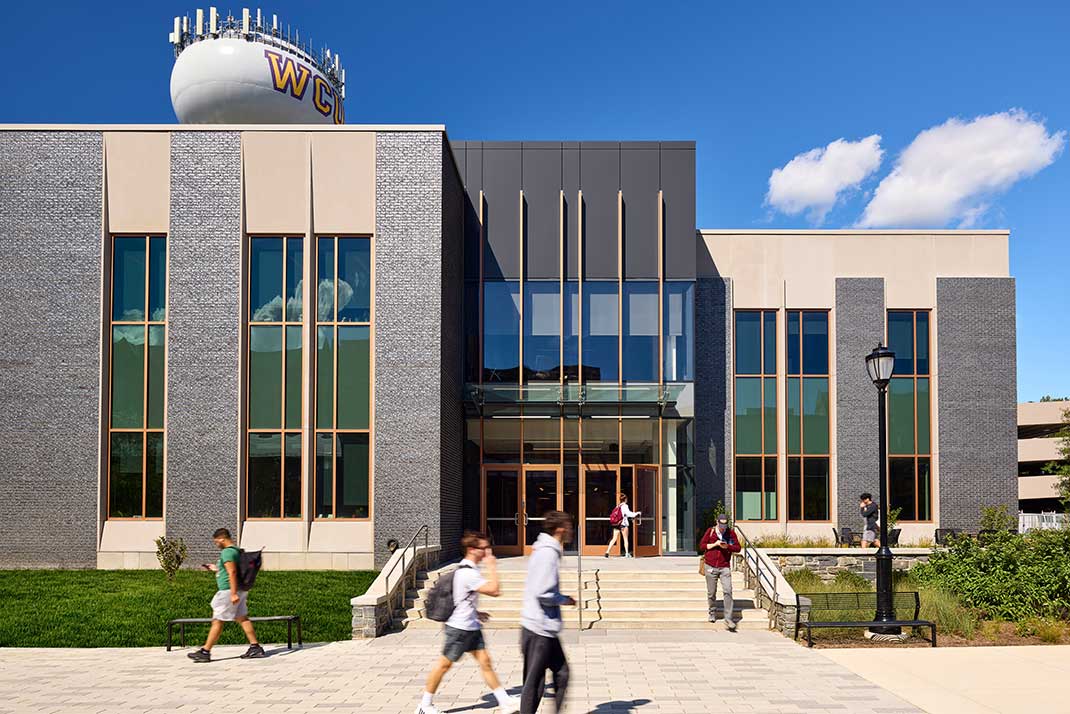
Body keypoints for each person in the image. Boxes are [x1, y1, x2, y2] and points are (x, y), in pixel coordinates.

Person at [415, 531, 519, 714]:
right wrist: (492, 566)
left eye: (488, 547)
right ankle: (424, 705)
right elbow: (495, 590)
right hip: (459, 628)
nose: (488, 552)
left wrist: (477, 613)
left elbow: (461, 597)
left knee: (485, 662)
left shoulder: (468, 570)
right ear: (472, 549)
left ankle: (505, 702)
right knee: (443, 665)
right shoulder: (468, 573)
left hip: (471, 626)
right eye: (484, 548)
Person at [520, 511, 575, 714]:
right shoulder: (547, 553)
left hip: (543, 628)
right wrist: (564, 599)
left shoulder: (546, 550)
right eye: (568, 526)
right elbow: (543, 591)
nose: (571, 531)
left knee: (562, 674)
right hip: (538, 628)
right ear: (560, 529)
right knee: (534, 683)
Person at [186, 528, 264, 662]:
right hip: (239, 589)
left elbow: (232, 572)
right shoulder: (236, 551)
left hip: (228, 591)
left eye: (216, 541)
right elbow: (231, 570)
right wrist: (216, 569)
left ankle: (205, 651)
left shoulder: (227, 552)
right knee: (242, 618)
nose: (216, 543)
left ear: (222, 538)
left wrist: (233, 594)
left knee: (217, 620)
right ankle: (255, 647)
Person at [698, 514, 741, 631]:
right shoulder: (710, 531)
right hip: (710, 566)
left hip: (724, 567)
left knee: (728, 590)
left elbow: (738, 548)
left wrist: (727, 547)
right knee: (711, 592)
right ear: (717, 522)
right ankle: (712, 612)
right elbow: (702, 546)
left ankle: (729, 618)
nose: (723, 527)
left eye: (725, 524)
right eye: (721, 524)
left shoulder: (730, 533)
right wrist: (715, 544)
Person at [603, 492, 641, 558]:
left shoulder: (618, 506)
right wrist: (637, 513)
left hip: (616, 524)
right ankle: (626, 553)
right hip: (623, 524)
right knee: (625, 539)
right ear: (625, 499)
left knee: (614, 538)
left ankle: (607, 551)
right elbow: (629, 514)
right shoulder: (625, 506)